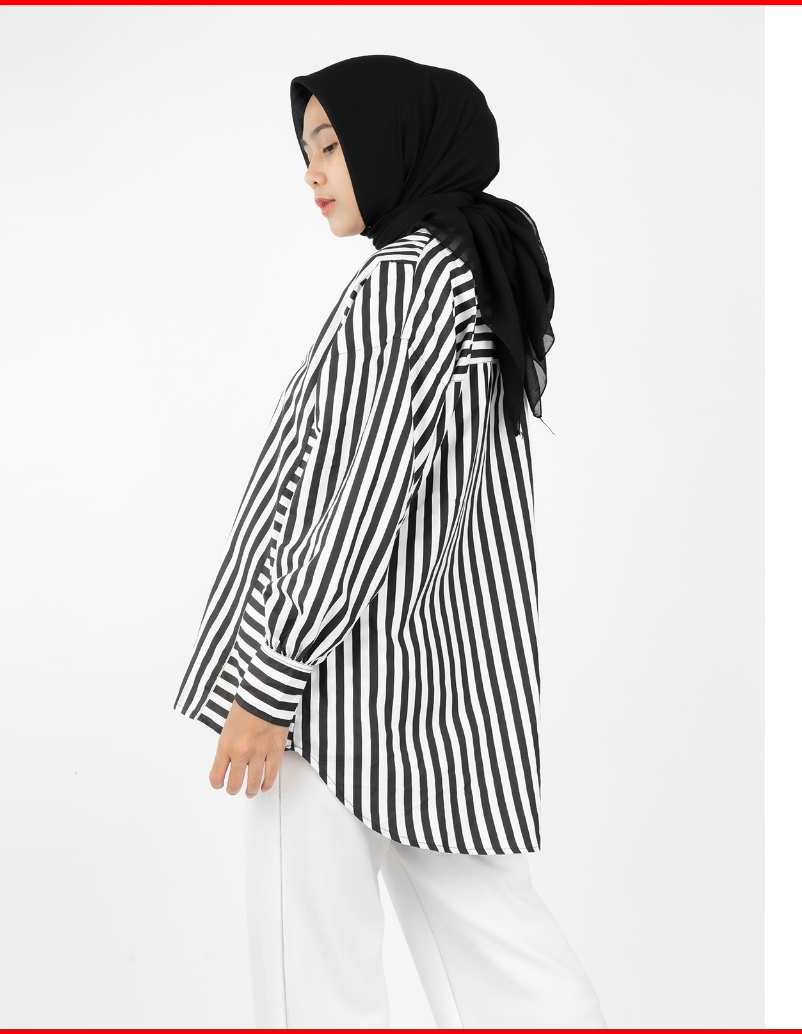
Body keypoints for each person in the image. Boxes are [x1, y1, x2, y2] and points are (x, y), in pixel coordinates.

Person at [173, 54, 608, 1029]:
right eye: (305, 150)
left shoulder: (402, 285)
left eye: (332, 144)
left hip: (325, 698)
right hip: (430, 692)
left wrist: (267, 680)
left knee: (310, 977)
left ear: (394, 140)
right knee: (503, 959)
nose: (313, 171)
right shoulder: (470, 275)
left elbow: (350, 503)